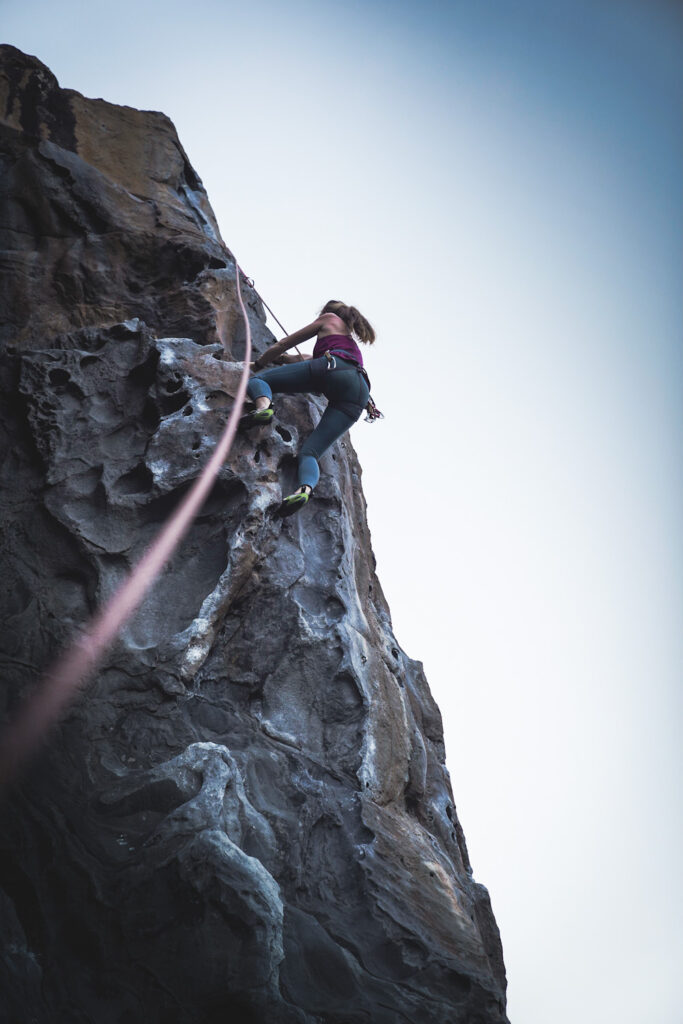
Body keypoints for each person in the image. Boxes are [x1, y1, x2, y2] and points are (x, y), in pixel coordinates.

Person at [243, 300, 376, 515]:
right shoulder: (346, 343)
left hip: (333, 370)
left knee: (259, 382)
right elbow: (302, 359)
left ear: (327, 313)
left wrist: (258, 364)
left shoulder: (329, 319)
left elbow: (284, 344)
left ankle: (263, 409)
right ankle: (304, 490)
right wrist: (283, 360)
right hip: (360, 394)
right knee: (310, 453)